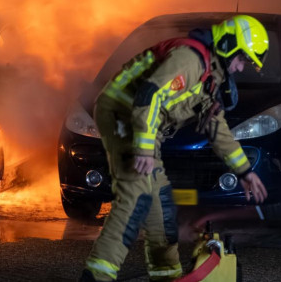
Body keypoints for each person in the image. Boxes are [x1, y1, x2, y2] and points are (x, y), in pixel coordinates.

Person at [80, 15, 270, 282]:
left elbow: (218, 130)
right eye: (242, 59)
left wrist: (245, 172)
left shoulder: (209, 80)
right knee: (136, 196)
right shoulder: (190, 60)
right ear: (228, 45)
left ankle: (167, 275)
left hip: (143, 126)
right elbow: (150, 95)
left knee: (161, 207)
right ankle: (96, 277)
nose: (240, 68)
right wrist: (144, 149)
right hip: (120, 112)